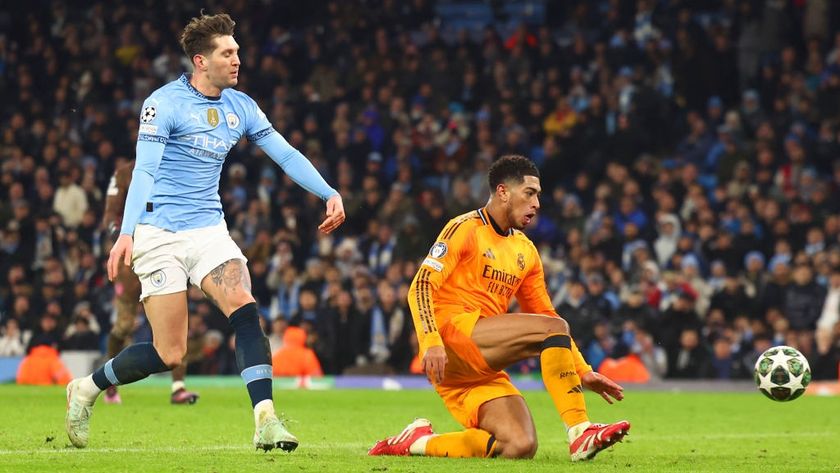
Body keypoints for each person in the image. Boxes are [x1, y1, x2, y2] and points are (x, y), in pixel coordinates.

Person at [65, 13, 345, 452]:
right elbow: (144, 173)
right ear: (201, 61)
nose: (238, 59)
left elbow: (286, 155)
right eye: (227, 53)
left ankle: (266, 420)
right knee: (170, 353)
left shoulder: (242, 106)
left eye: (237, 51)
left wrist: (328, 192)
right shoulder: (164, 104)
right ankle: (86, 389)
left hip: (209, 230)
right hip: (157, 233)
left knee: (245, 307)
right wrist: (126, 233)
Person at [368, 155, 629, 461]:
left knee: (518, 446)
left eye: (538, 196)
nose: (537, 204)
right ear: (503, 192)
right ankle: (579, 431)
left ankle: (417, 442)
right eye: (529, 193)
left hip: (478, 370)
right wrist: (431, 341)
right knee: (552, 330)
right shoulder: (464, 228)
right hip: (451, 341)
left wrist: (582, 371)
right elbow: (421, 286)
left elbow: (547, 317)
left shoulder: (525, 250)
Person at [101, 159, 200, 405]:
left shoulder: (175, 168)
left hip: (165, 253)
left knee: (175, 321)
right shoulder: (124, 173)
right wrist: (120, 233)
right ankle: (110, 384)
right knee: (124, 326)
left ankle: (178, 387)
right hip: (130, 262)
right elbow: (110, 214)